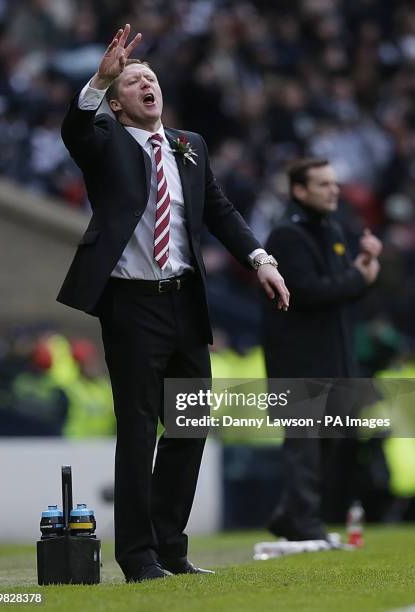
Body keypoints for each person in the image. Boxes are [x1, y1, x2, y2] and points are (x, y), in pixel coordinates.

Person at [57, 24, 289, 582]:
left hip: (184, 302)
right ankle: (137, 557)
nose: (146, 83)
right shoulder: (105, 138)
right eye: (134, 79)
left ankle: (170, 549)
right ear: (117, 101)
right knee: (138, 430)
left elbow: (220, 210)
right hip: (131, 305)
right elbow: (75, 130)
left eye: (151, 77)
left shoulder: (190, 146)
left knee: (189, 425)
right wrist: (99, 79)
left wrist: (260, 260)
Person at [262, 158, 382, 541]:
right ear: (299, 190)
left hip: (335, 354)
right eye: (323, 184)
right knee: (304, 445)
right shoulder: (286, 236)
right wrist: (358, 276)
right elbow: (309, 292)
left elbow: (344, 289)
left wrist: (365, 266)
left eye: (335, 183)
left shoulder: (332, 228)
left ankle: (289, 515)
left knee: (330, 443)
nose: (334, 190)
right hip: (299, 359)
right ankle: (306, 524)